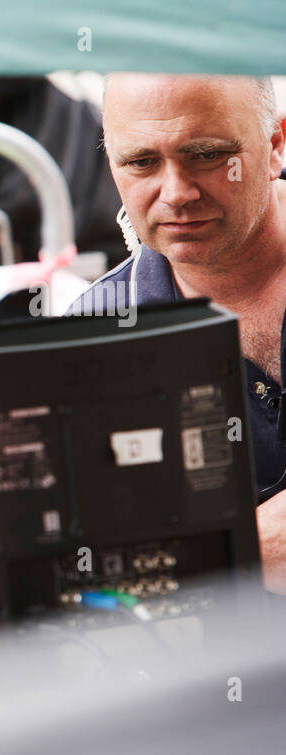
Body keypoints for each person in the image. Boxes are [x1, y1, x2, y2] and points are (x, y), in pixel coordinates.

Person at [65, 74, 286, 591]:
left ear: (276, 144)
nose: (177, 193)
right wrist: (246, 551)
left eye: (207, 155)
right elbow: (85, 570)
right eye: (141, 162)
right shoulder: (92, 339)